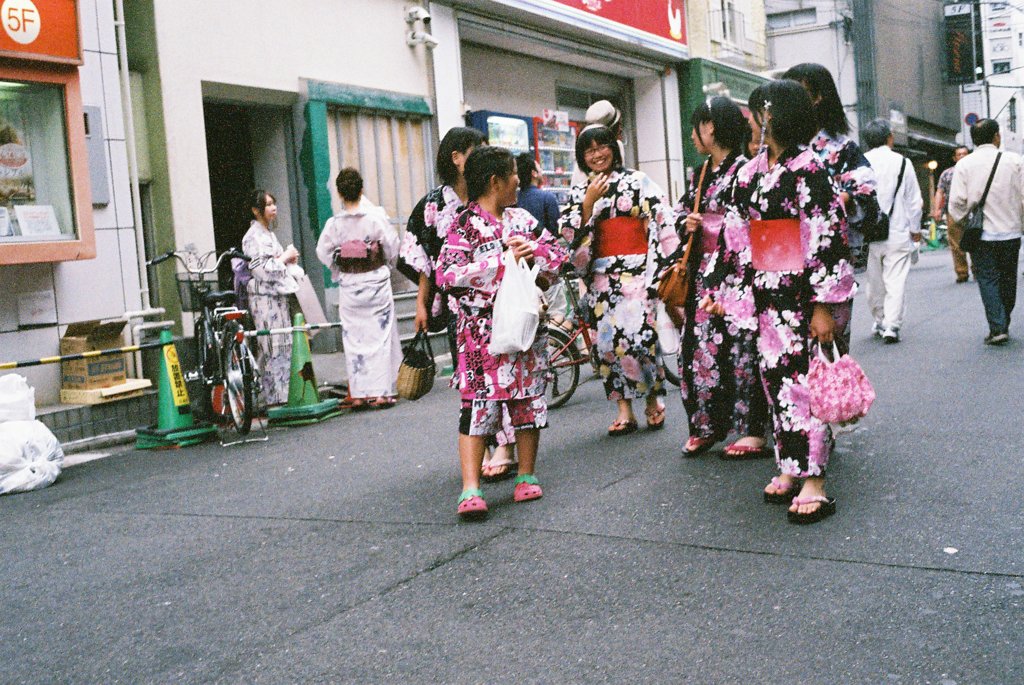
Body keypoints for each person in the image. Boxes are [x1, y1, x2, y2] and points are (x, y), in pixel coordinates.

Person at [703, 80, 856, 523]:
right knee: (777, 383)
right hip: (768, 293)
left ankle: (815, 480)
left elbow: (827, 235)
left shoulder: (809, 168)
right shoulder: (750, 172)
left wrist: (824, 304)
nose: (751, 120)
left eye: (756, 112)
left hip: (803, 293)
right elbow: (734, 236)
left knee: (807, 386)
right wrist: (721, 289)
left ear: (773, 114)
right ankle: (790, 466)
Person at [436, 146, 568, 519]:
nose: (518, 181)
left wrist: (536, 252)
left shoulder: (522, 219)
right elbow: (447, 274)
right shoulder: (462, 225)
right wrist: (502, 261)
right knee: (477, 407)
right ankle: (470, 487)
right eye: (513, 174)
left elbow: (557, 258)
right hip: (481, 336)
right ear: (495, 181)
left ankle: (526, 475)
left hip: (524, 329)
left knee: (527, 400)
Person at [559, 126, 680, 436]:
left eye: (603, 147)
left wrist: (661, 257)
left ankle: (652, 399)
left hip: (637, 272)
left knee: (640, 339)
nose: (598, 154)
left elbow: (661, 214)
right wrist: (588, 203)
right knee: (608, 345)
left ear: (614, 147)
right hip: (601, 276)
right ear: (582, 157)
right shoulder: (579, 191)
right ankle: (624, 409)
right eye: (590, 150)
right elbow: (570, 236)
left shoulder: (636, 181)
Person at [675, 96, 769, 459]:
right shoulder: (699, 174)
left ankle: (749, 428)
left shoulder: (747, 169)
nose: (694, 136)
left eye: (696, 127)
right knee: (699, 347)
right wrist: (686, 222)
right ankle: (706, 424)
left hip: (739, 271)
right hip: (704, 272)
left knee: (740, 348)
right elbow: (681, 211)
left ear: (710, 128)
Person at [783, 63, 877, 349]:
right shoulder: (778, 146)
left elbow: (865, 191)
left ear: (817, 97)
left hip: (826, 256)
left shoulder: (840, 148)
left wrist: (833, 200)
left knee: (828, 351)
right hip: (783, 261)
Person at [315, 168, 401, 408]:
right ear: (361, 190)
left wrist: (338, 265)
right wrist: (385, 261)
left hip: (351, 283)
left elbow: (322, 251)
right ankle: (382, 393)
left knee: (354, 340)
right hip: (374, 280)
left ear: (340, 194)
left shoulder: (335, 224)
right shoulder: (374, 218)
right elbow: (392, 245)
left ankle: (361, 394)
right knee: (380, 338)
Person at [948, 119, 1024, 345]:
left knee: (988, 279)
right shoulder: (1014, 161)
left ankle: (997, 326)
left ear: (973, 140)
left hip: (981, 234)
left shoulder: (964, 165)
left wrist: (963, 220)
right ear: (997, 137)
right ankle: (1004, 320)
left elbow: (957, 203)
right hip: (1011, 231)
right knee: (1008, 277)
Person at [862, 119, 923, 344]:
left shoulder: (860, 161)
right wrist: (915, 231)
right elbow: (914, 202)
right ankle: (892, 325)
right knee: (895, 281)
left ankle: (880, 319)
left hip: (869, 234)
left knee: (874, 282)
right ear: (890, 138)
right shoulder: (903, 163)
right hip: (897, 231)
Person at [242, 190, 301, 406]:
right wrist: (284, 258)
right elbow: (261, 270)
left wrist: (287, 260)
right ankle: (275, 397)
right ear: (256, 210)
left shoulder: (269, 234)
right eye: (267, 205)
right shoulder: (252, 237)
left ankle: (281, 395)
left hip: (277, 295)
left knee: (282, 344)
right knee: (271, 345)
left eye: (273, 203)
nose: (273, 208)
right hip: (263, 298)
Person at [933, 145, 973, 282]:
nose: (962, 156)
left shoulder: (975, 171)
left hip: (973, 210)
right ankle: (962, 273)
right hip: (953, 211)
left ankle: (978, 269)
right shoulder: (947, 173)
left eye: (965, 154)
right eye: (959, 154)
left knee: (977, 240)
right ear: (955, 158)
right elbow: (939, 191)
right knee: (956, 244)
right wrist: (937, 209)